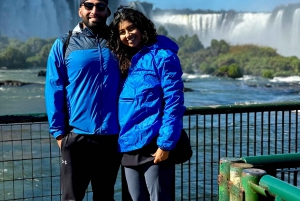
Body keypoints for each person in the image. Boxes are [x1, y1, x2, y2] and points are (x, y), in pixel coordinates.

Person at [108, 6, 186, 201]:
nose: (127, 35)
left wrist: (165, 145)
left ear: (142, 27)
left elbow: (174, 102)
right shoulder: (126, 60)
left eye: (131, 28)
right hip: (128, 144)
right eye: (122, 32)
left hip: (154, 145)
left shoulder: (163, 56)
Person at [45, 0, 121, 200]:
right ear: (80, 10)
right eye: (88, 5)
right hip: (76, 136)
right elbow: (54, 88)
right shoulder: (64, 43)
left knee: (105, 197)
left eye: (100, 6)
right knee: (72, 198)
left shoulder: (119, 41)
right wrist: (59, 134)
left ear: (107, 11)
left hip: (112, 137)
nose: (94, 10)